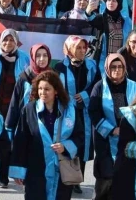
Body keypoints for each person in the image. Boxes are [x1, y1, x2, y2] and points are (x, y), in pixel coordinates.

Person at [9, 70, 82, 200]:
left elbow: (80, 136)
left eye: (47, 89)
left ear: (56, 91)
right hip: (36, 170)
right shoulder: (29, 109)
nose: (43, 92)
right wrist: (18, 170)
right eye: (40, 88)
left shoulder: (69, 110)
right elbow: (20, 140)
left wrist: (65, 147)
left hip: (61, 171)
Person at [89, 53, 136, 200]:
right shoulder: (99, 87)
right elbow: (94, 112)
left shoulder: (135, 87)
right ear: (107, 68)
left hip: (128, 140)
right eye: (113, 67)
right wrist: (112, 130)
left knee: (123, 182)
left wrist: (128, 130)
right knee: (104, 183)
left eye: (120, 67)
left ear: (125, 68)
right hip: (105, 141)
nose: (116, 70)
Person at [54, 35, 100, 194]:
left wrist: (86, 94)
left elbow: (98, 84)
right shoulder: (60, 67)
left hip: (86, 112)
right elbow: (56, 87)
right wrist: (67, 99)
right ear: (69, 49)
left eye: (83, 47)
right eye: (77, 48)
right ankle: (66, 174)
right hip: (67, 112)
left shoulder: (92, 65)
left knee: (84, 145)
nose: (81, 51)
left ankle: (77, 178)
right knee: (68, 142)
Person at [5, 44, 52, 135]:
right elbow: (14, 103)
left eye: (45, 55)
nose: (42, 59)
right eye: (38, 55)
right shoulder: (24, 77)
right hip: (26, 124)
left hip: (48, 125)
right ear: (33, 57)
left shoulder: (54, 77)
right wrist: (9, 126)